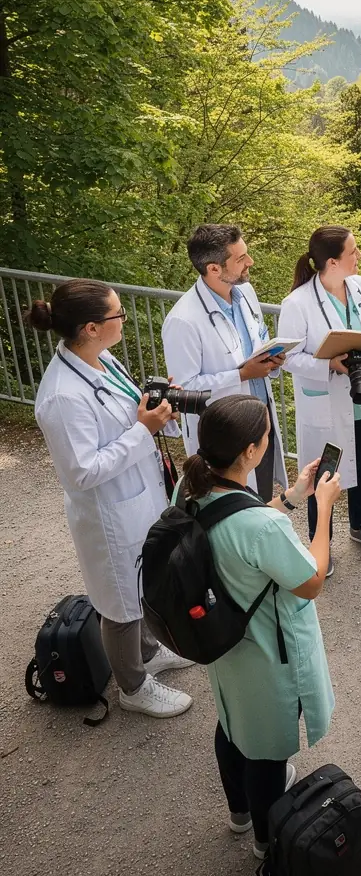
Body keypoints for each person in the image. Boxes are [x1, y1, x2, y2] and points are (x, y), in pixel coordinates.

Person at [176, 394, 343, 860]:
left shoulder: (190, 489)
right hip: (267, 649)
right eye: (267, 435)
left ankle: (239, 813)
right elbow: (312, 580)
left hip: (223, 636)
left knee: (232, 721)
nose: (269, 440)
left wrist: (292, 497)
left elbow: (237, 521)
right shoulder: (264, 527)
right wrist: (324, 508)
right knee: (267, 747)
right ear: (250, 451)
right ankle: (267, 845)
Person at [29, 280, 194, 718]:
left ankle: (148, 651)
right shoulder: (62, 396)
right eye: (117, 314)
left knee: (144, 583)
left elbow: (129, 413)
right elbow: (81, 471)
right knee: (120, 602)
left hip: (138, 497)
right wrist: (144, 431)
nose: (124, 319)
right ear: (90, 327)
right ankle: (133, 687)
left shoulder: (102, 359)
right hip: (109, 516)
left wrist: (156, 410)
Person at [278, 225, 361, 567]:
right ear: (332, 262)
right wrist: (328, 364)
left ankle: (360, 525)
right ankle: (321, 542)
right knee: (323, 473)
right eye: (353, 252)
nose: (359, 256)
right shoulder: (297, 303)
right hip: (326, 403)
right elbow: (287, 358)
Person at [162, 224, 288, 501]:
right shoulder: (183, 321)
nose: (250, 262)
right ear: (214, 269)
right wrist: (241, 375)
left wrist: (272, 359)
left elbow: (259, 336)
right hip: (224, 435)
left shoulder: (246, 293)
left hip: (259, 420)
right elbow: (185, 390)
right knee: (234, 505)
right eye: (241, 258)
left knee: (261, 497)